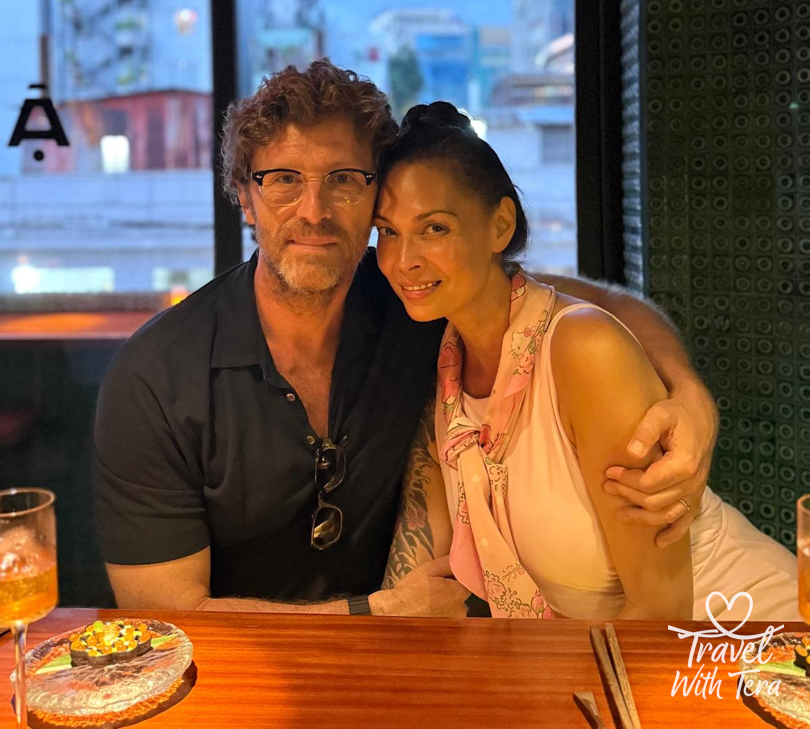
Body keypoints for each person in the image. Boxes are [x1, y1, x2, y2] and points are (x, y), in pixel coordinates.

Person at [95, 59, 718, 616]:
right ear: (244, 198)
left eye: (344, 178)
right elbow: (166, 615)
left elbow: (593, 306)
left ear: (373, 197)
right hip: (259, 666)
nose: (314, 209)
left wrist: (689, 393)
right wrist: (375, 613)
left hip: (438, 650)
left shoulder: (414, 296)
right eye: (283, 179)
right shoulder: (155, 379)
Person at [374, 101, 798, 620]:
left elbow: (660, 609)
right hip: (611, 652)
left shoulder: (584, 352)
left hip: (744, 636)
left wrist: (689, 389)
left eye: (434, 228)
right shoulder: (448, 371)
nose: (403, 260)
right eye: (387, 231)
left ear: (500, 226)